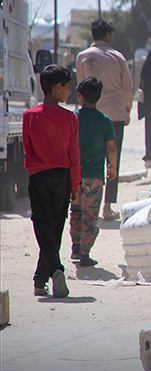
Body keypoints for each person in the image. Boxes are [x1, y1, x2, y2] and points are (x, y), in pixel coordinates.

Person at [23, 65, 80, 298]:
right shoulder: (70, 118)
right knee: (55, 228)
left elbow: (28, 148)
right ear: (57, 88)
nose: (70, 92)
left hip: (38, 176)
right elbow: (74, 155)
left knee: (43, 226)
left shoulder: (30, 116)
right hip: (62, 177)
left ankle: (47, 276)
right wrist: (75, 185)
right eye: (68, 87)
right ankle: (47, 275)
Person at [75, 19, 133, 220]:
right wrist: (127, 110)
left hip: (90, 114)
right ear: (108, 35)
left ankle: (84, 200)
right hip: (115, 115)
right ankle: (107, 206)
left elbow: (81, 84)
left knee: (88, 155)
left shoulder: (82, 57)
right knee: (113, 159)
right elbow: (127, 88)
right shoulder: (117, 57)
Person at [70, 77, 118, 267]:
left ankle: (75, 246)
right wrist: (112, 167)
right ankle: (85, 253)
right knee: (90, 215)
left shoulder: (73, 118)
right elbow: (111, 147)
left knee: (75, 211)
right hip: (95, 177)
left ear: (80, 96)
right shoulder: (104, 120)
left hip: (74, 175)